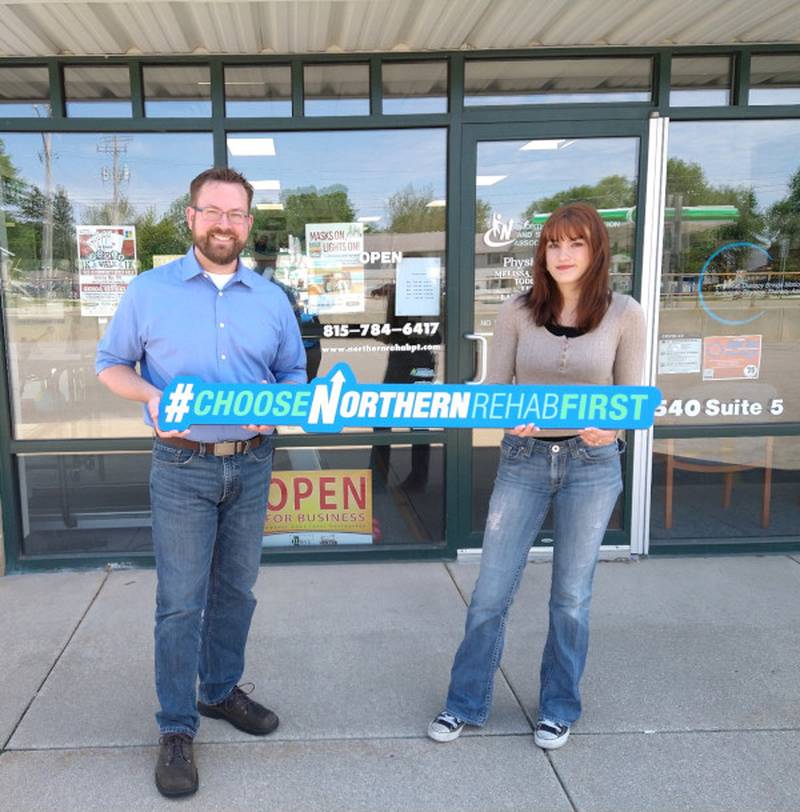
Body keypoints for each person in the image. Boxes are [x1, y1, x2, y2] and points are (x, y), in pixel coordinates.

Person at [95, 167, 306, 798]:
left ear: (248, 223)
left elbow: (293, 372)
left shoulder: (271, 299)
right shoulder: (149, 291)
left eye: (236, 213)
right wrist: (152, 396)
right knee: (181, 602)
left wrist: (282, 406)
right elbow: (111, 365)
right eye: (212, 211)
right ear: (190, 216)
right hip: (182, 466)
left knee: (237, 592)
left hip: (251, 460)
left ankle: (217, 693)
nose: (224, 223)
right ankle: (176, 727)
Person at [427, 202, 645, 750]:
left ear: (596, 252)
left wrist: (610, 431)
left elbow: (630, 400)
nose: (563, 254)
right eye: (553, 243)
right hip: (524, 458)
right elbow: (497, 389)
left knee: (571, 596)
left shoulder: (625, 313)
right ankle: (464, 703)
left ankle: (558, 706)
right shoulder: (517, 311)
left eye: (576, 244)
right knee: (490, 591)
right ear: (541, 251)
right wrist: (507, 414)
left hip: (591, 467)